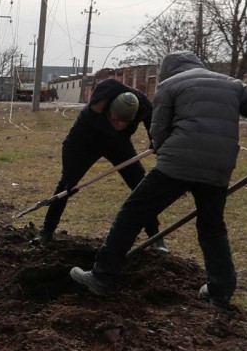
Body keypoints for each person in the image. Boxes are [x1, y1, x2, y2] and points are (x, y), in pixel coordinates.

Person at [70, 51, 247, 310]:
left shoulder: (169, 85)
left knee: (132, 213)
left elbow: (159, 131)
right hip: (219, 167)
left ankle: (101, 277)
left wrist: (172, 170)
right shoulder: (234, 85)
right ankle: (220, 292)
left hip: (177, 162)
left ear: (166, 72)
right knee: (212, 228)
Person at [35, 78, 166, 251]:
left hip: (118, 144)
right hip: (84, 142)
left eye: (124, 122)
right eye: (116, 120)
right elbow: (72, 145)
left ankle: (156, 238)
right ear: (109, 110)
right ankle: (46, 231)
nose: (119, 125)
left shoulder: (143, 106)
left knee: (140, 185)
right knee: (66, 185)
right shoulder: (98, 103)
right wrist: (70, 172)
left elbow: (155, 129)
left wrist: (156, 142)